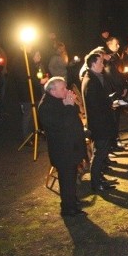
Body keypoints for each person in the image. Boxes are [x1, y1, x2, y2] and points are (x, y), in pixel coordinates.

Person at [38, 77, 87, 217]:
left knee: (71, 178)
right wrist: (69, 107)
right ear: (52, 91)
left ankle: (72, 201)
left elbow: (74, 112)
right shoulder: (46, 106)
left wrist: (72, 104)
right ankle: (68, 208)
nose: (66, 90)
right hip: (63, 151)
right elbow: (62, 124)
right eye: (63, 89)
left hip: (70, 148)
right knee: (66, 180)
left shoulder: (59, 99)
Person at [81, 52, 118, 192]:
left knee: (101, 153)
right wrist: (109, 102)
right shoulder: (90, 81)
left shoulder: (94, 78)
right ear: (93, 64)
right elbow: (95, 104)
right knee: (99, 154)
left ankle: (100, 179)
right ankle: (96, 184)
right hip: (99, 124)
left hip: (101, 123)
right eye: (100, 62)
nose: (103, 65)